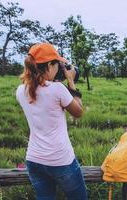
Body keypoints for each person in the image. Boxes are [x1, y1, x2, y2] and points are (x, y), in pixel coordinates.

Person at [16, 43, 87, 200]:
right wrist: (70, 80)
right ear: (49, 65)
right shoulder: (57, 89)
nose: (59, 69)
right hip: (60, 160)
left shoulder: (20, 90)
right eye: (57, 65)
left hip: (34, 160)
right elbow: (79, 112)